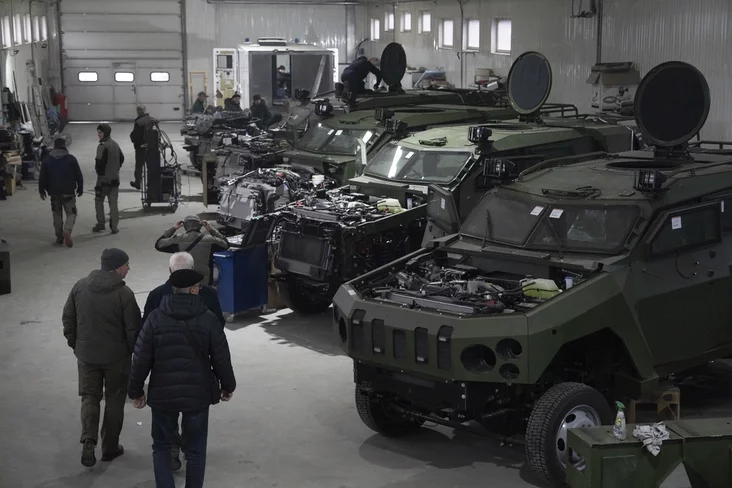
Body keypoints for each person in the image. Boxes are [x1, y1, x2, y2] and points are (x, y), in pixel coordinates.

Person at [129, 268, 236, 488]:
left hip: (162, 395)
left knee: (161, 447)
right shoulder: (208, 319)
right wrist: (227, 386)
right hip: (197, 396)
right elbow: (221, 357)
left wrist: (136, 391)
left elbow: (140, 358)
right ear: (194, 290)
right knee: (196, 449)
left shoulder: (155, 318)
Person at [62, 248, 141, 468]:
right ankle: (109, 448)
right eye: (127, 265)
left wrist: (76, 344)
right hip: (116, 358)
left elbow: (68, 318)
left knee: (89, 397)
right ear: (117, 267)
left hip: (87, 356)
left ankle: (89, 439)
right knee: (115, 400)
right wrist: (131, 352)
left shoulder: (80, 286)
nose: (129, 269)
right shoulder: (124, 294)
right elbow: (133, 329)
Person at [143, 252, 225, 329]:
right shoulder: (209, 293)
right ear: (192, 269)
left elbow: (146, 327)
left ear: (170, 270)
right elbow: (218, 324)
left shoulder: (156, 295)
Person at [154, 216, 230, 286]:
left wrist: (173, 228)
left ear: (185, 226)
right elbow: (226, 244)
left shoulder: (178, 239)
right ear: (200, 226)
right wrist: (211, 229)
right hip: (204, 281)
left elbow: (159, 244)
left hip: (184, 281)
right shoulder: (210, 240)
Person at [38, 137, 83, 248]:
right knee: (71, 213)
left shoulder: (47, 160)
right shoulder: (71, 159)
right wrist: (80, 187)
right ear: (64, 147)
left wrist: (41, 190)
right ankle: (67, 230)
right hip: (68, 191)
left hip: (54, 192)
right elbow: (78, 175)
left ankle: (59, 237)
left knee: (57, 214)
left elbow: (42, 177)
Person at [93, 124, 125, 234]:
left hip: (103, 180)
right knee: (113, 203)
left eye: (100, 132)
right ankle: (114, 227)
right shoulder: (115, 144)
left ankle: (101, 223)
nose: (98, 135)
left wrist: (100, 173)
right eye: (98, 132)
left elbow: (99, 163)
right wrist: (116, 168)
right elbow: (122, 158)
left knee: (98, 201)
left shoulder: (102, 146)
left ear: (105, 133)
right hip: (115, 179)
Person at [129, 105, 154, 190]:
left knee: (139, 166)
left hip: (141, 148)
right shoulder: (152, 120)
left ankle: (137, 183)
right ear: (145, 110)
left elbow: (136, 136)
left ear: (138, 111)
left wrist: (133, 139)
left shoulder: (138, 122)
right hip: (152, 147)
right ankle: (151, 184)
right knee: (151, 166)